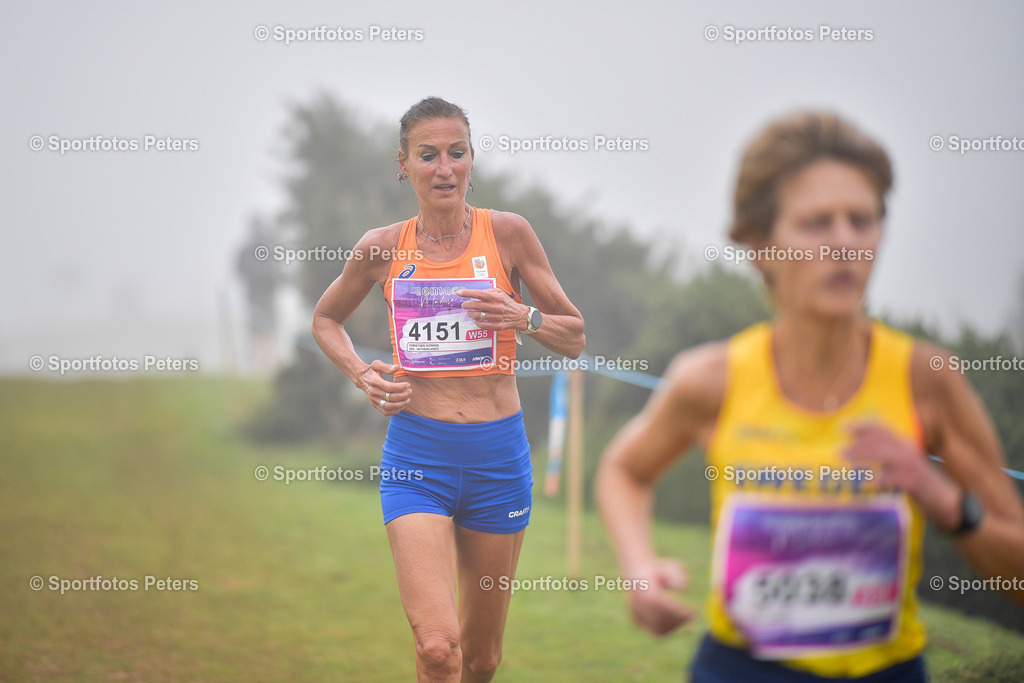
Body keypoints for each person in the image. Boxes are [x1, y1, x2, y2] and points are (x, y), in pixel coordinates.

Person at [596, 111, 1024, 681]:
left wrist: (936, 492)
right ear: (759, 245)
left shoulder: (927, 378)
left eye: (862, 220)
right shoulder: (713, 379)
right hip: (740, 668)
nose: (845, 242)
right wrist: (638, 568)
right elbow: (624, 469)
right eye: (817, 223)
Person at [312, 96, 584, 682]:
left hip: (497, 459)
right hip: (417, 454)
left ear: (470, 160)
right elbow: (325, 319)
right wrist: (362, 373)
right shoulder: (382, 247)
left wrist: (523, 318)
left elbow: (575, 336)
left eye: (456, 153)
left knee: (482, 659)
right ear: (403, 164)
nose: (444, 168)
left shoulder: (508, 234)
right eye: (428, 155)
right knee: (439, 649)